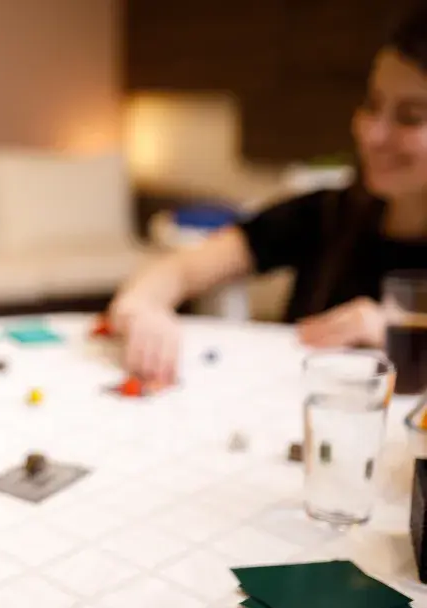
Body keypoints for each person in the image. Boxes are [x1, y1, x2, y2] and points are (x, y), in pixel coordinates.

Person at [110, 5, 427, 382]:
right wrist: (143, 310)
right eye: (372, 105)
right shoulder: (325, 213)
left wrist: (401, 335)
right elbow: (180, 269)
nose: (372, 134)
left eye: (410, 117)